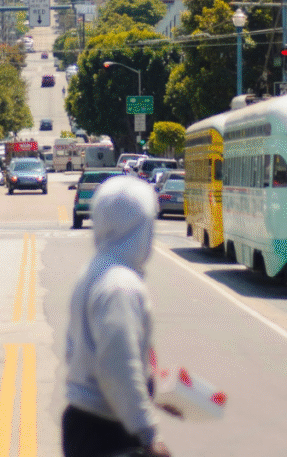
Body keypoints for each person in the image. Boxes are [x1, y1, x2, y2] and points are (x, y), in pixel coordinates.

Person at [62, 175, 172, 457]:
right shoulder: (120, 285)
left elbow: (74, 351)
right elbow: (117, 365)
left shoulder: (94, 271)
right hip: (110, 430)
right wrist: (147, 432)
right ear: (140, 227)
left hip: (86, 422)